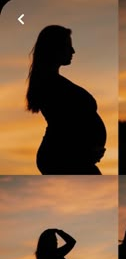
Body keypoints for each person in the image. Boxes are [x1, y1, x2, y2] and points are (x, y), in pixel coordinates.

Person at [26, 25, 106, 175]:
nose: (73, 51)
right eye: (68, 46)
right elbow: (65, 123)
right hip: (62, 157)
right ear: (54, 48)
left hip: (72, 156)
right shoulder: (49, 83)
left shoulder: (53, 81)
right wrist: (83, 151)